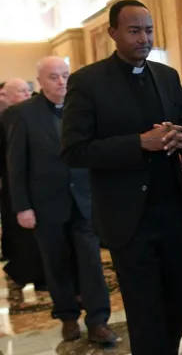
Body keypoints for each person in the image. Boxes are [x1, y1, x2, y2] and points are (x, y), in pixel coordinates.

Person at [61, 0, 182, 355]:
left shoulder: (167, 76)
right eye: (134, 31)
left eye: (148, 30)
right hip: (128, 218)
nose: (144, 39)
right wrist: (138, 143)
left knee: (181, 296)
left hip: (173, 211)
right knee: (145, 309)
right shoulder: (87, 82)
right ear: (113, 33)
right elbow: (74, 150)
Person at [3, 57, 115, 344]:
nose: (61, 81)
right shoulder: (22, 114)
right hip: (45, 203)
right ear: (40, 81)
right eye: (53, 76)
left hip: (84, 200)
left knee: (91, 263)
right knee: (55, 264)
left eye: (65, 75)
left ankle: (99, 320)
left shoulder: (82, 108)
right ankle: (67, 317)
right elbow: (16, 165)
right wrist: (22, 206)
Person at [0, 77, 45, 286]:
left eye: (28, 90)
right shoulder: (7, 119)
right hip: (14, 183)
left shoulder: (34, 114)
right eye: (21, 92)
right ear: (7, 97)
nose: (27, 95)